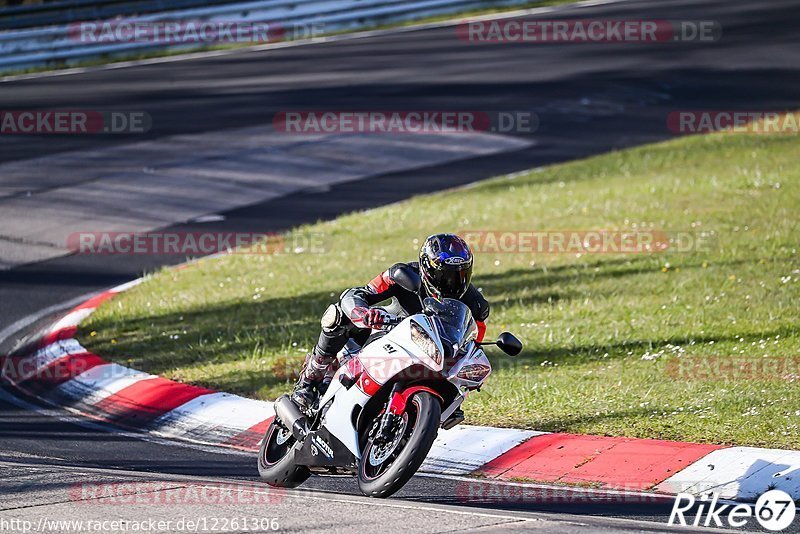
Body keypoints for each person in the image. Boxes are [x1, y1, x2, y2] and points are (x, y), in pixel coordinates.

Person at [291, 233, 490, 409]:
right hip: (388, 333)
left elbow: (475, 341)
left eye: (460, 275)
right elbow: (359, 293)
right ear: (427, 269)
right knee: (336, 315)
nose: (453, 283)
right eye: (444, 276)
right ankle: (310, 379)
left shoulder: (476, 304)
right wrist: (363, 313)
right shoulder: (401, 275)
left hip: (434, 354)